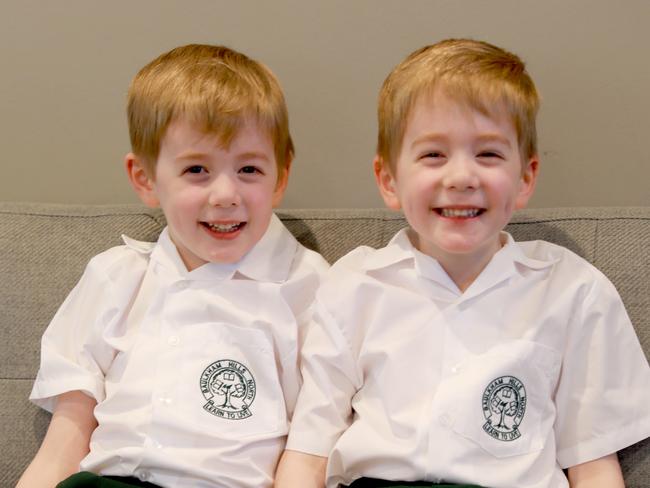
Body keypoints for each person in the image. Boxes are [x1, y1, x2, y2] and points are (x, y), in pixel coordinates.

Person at [275, 39, 650, 488]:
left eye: (488, 154)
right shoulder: (354, 285)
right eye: (433, 154)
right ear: (389, 180)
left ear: (525, 177)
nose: (461, 178)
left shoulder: (573, 290)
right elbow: (308, 452)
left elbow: (592, 463)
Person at [17, 44, 328, 488]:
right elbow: (64, 443)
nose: (225, 194)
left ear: (279, 176)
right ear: (145, 178)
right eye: (197, 169)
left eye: (249, 170)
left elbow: (313, 443)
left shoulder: (309, 285)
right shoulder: (118, 276)